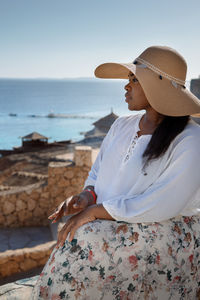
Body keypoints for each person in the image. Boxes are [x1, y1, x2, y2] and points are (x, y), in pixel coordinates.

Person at [32, 46, 200, 300]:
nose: (126, 86)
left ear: (159, 87)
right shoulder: (122, 125)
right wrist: (87, 196)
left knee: (86, 235)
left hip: (165, 229)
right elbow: (98, 172)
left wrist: (97, 212)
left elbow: (165, 202)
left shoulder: (190, 139)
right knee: (80, 232)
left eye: (134, 79)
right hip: (118, 220)